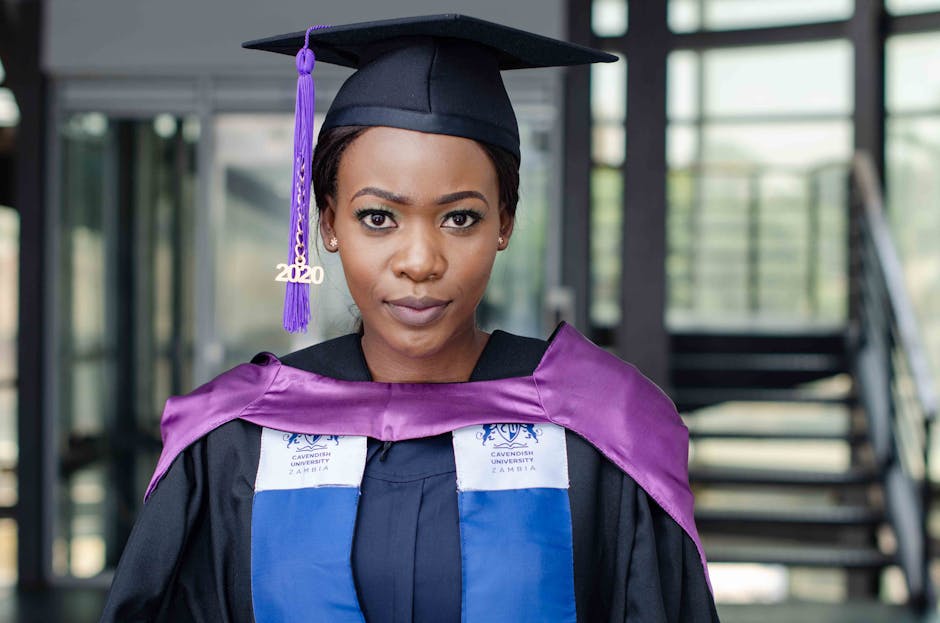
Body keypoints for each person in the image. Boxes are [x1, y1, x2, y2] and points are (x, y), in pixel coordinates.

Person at [100, 14, 720, 623]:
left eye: (460, 218)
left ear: (504, 223)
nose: (419, 262)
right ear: (327, 224)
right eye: (378, 217)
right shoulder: (234, 441)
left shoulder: (602, 431)